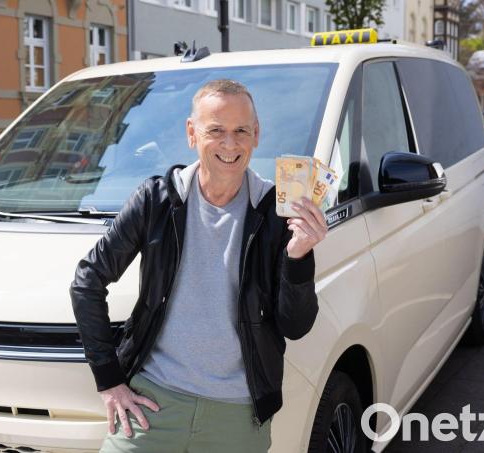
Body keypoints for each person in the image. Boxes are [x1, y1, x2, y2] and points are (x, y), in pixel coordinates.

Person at [70, 79, 326, 452]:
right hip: (152, 406)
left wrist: (299, 255)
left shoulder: (277, 214)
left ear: (257, 135)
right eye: (216, 130)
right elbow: (87, 282)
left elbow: (295, 326)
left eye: (241, 131)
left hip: (237, 415)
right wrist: (109, 380)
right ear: (192, 134)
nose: (230, 144)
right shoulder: (155, 201)